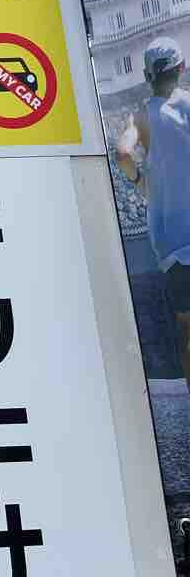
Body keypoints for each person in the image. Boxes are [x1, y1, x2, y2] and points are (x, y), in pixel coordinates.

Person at [116, 37, 190, 386]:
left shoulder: (142, 117)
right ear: (182, 68)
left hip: (173, 247)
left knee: (186, 329)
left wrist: (141, 181)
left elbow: (123, 153)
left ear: (148, 76)